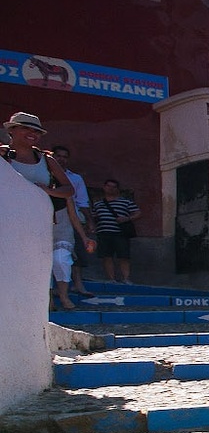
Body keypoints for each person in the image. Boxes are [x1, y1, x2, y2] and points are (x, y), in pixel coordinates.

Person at [3, 111, 79, 308]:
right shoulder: (2, 155)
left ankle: (41, 302)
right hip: (7, 222)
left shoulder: (46, 160)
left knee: (37, 265)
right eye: (25, 128)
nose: (32, 134)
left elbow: (69, 189)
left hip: (38, 224)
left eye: (36, 131)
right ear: (12, 130)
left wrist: (47, 190)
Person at [51, 144, 92, 295]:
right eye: (58, 156)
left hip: (72, 219)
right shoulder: (45, 175)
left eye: (64, 157)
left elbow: (82, 201)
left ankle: (78, 284)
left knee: (76, 254)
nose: (61, 159)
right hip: (51, 219)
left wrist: (89, 221)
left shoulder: (75, 178)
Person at [92, 177, 140, 284]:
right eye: (108, 186)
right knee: (106, 256)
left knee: (124, 256)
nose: (111, 189)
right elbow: (94, 217)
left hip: (120, 233)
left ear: (118, 189)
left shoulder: (126, 202)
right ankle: (111, 279)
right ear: (104, 187)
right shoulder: (98, 204)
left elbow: (137, 213)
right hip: (103, 232)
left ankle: (126, 278)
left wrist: (126, 218)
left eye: (114, 187)